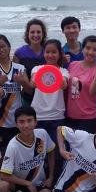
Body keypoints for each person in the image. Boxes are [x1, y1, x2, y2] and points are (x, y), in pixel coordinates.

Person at [0, 106, 55, 192]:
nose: (26, 125)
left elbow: (51, 152)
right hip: (17, 181)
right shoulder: (13, 145)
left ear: (35, 122)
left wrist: (50, 176)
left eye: (29, 121)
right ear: (16, 124)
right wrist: (27, 183)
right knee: (2, 186)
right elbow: (3, 175)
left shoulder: (42, 134)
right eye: (22, 122)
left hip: (37, 181)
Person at [30, 39, 69, 180]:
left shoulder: (63, 71)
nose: (50, 55)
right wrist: (34, 80)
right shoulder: (37, 69)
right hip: (38, 115)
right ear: (43, 53)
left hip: (57, 116)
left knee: (57, 151)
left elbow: (64, 85)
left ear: (59, 54)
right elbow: (32, 82)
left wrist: (59, 76)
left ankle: (56, 179)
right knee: (40, 151)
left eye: (54, 52)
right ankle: (40, 179)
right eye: (47, 52)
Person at [0, 34, 25, 157]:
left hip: (17, 119)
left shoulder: (20, 68)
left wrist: (22, 82)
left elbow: (26, 91)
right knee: (0, 154)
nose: (1, 49)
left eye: (3, 46)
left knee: (17, 153)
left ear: (9, 47)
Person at [66, 35, 96, 133]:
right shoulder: (73, 65)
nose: (91, 52)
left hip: (89, 117)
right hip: (70, 115)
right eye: (88, 48)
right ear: (82, 49)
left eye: (95, 50)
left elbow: (93, 91)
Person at [13, 18, 47, 106]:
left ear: (43, 34)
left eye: (38, 32)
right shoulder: (19, 53)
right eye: (32, 32)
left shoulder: (49, 51)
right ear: (27, 34)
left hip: (47, 98)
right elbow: (25, 85)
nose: (35, 35)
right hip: (28, 98)